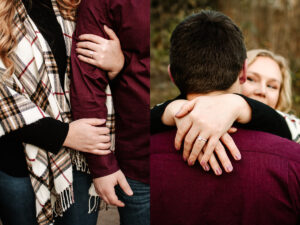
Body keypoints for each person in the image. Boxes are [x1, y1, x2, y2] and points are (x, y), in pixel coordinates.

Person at [151, 10, 300, 225]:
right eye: (253, 80)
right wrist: (172, 110)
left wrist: (240, 104)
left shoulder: (143, 154)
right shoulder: (291, 161)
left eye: (272, 85)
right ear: (243, 72)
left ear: (171, 75)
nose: (261, 91)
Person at [0, 0, 123, 224]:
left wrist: (116, 67)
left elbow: (89, 78)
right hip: (17, 165)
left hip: (76, 159)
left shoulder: (74, 6)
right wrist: (64, 134)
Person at [70, 0, 150, 225]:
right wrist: (101, 164)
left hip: (194, 151)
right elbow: (87, 80)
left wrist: (123, 65)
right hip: (139, 164)